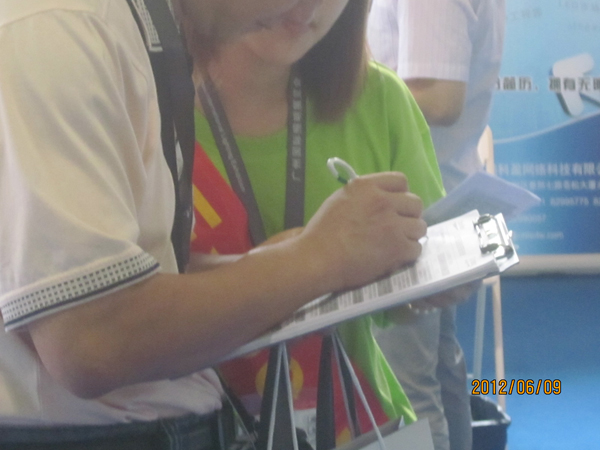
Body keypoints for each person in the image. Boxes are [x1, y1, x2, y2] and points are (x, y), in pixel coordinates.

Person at [0, 0, 428, 448]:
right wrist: (317, 258)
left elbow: (137, 279)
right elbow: (91, 339)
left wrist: (283, 262)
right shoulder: (63, 25)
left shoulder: (126, 27)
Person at [182, 0, 445, 445]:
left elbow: (403, 297)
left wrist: (427, 287)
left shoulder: (377, 98)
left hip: (354, 421)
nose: (306, 6)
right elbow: (116, 316)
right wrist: (301, 262)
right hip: (196, 426)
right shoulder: (143, 103)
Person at [367, 1, 506, 450]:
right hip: (429, 198)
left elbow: (441, 98)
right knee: (438, 375)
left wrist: (340, 93)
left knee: (405, 393)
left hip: (415, 207)